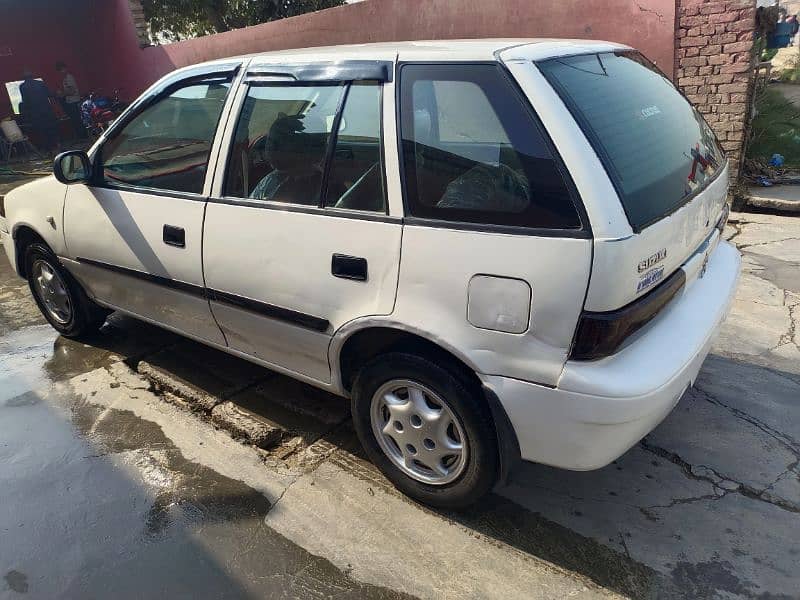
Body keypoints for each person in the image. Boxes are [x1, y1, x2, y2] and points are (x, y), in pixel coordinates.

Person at [250, 113, 326, 204]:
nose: (270, 148)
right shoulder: (277, 177)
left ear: (301, 148)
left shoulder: (301, 187)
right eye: (269, 141)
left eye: (278, 143)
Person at [19, 69, 59, 154]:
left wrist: (26, 113)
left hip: (35, 113)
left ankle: (47, 149)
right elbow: (49, 94)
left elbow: (25, 101)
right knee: (50, 128)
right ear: (32, 75)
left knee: (41, 130)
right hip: (46, 110)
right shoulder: (40, 83)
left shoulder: (23, 86)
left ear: (23, 77)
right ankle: (54, 146)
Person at [56, 61, 84, 139]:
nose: (61, 72)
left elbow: (72, 91)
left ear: (64, 68)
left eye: (61, 70)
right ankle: (80, 136)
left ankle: (82, 137)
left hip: (74, 101)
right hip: (70, 101)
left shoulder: (69, 77)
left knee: (77, 120)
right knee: (75, 121)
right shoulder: (65, 78)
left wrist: (62, 93)